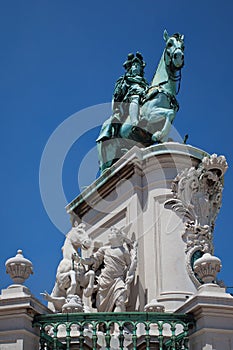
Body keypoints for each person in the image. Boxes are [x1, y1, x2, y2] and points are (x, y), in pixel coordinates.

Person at [73, 226, 137, 312]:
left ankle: (119, 325)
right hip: (104, 282)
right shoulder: (104, 250)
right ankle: (106, 325)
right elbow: (93, 260)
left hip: (117, 280)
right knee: (101, 309)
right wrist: (80, 260)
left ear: (118, 236)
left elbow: (129, 265)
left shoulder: (124, 251)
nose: (109, 235)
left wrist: (130, 276)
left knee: (120, 301)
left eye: (112, 233)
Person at [96, 52, 148, 141]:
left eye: (138, 65)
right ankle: (135, 123)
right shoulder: (124, 79)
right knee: (135, 96)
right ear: (130, 68)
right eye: (134, 65)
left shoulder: (145, 84)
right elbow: (117, 95)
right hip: (126, 103)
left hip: (142, 101)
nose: (136, 67)